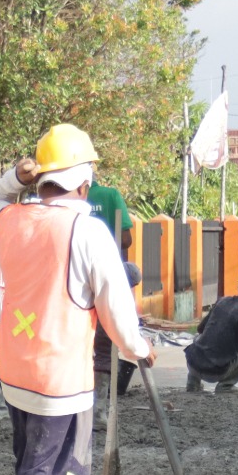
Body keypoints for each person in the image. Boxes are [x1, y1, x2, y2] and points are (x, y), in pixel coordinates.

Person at [0, 123, 155, 475]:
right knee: (50, 467)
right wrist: (140, 350)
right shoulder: (88, 231)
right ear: (84, 181)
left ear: (39, 177)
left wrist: (13, 180)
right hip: (59, 378)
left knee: (32, 458)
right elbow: (116, 311)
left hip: (16, 369)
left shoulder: (8, 218)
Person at [87, 178, 141, 421]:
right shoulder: (110, 196)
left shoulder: (62, 200)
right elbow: (126, 240)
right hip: (105, 277)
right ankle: (99, 411)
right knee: (104, 345)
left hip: (71, 281)